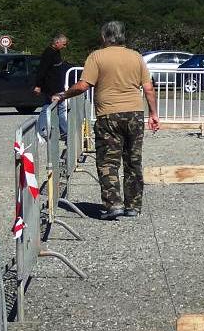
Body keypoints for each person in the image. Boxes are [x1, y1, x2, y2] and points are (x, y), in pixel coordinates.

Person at [51, 21, 159, 219]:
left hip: (108, 114)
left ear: (104, 37)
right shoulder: (136, 56)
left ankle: (113, 204)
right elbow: (148, 88)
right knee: (133, 161)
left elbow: (84, 85)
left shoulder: (97, 56)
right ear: (122, 36)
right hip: (134, 113)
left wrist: (64, 95)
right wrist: (153, 114)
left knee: (108, 162)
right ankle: (133, 206)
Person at [33, 34, 71, 143]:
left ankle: (60, 131)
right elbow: (42, 70)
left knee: (53, 107)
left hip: (57, 86)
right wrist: (38, 85)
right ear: (57, 42)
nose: (64, 46)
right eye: (63, 44)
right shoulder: (48, 53)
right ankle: (44, 130)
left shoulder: (56, 52)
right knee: (51, 108)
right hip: (51, 87)